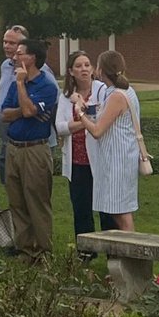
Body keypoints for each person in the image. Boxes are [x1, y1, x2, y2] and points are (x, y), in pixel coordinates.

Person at [0, 38, 58, 261]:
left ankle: (44, 252)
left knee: (37, 201)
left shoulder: (46, 86)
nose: (14, 57)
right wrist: (25, 109)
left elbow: (27, 110)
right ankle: (25, 250)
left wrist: (22, 87)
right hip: (13, 148)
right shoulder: (16, 82)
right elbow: (6, 113)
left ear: (32, 58)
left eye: (20, 53)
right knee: (17, 201)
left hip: (35, 150)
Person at [73, 50, 141, 232]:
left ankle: (132, 255)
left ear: (101, 70)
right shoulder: (122, 92)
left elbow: (97, 130)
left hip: (118, 160)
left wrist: (79, 112)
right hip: (119, 157)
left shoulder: (117, 96)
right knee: (118, 211)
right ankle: (126, 254)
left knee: (121, 212)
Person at [54, 50, 114, 247]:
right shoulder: (66, 96)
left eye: (87, 65)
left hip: (100, 159)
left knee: (106, 209)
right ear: (71, 71)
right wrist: (85, 119)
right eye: (79, 66)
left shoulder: (102, 90)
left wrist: (80, 117)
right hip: (77, 161)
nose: (84, 69)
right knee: (81, 209)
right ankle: (86, 252)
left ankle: (111, 250)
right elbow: (60, 127)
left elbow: (105, 121)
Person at [0, 24, 56, 183]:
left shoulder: (43, 73)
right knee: (13, 194)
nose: (7, 46)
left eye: (12, 44)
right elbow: (4, 111)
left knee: (34, 194)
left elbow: (48, 103)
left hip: (34, 143)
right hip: (9, 140)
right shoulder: (5, 66)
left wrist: (24, 111)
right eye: (5, 41)